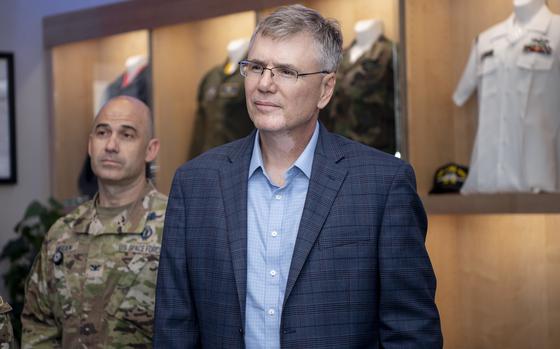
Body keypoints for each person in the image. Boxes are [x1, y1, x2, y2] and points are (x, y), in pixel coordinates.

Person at [154, 4, 442, 348]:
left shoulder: (382, 185)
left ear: (325, 89)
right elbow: (175, 328)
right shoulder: (195, 184)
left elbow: (411, 331)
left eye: (286, 72)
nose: (264, 84)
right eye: (256, 67)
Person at [22, 96, 167, 348]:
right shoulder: (62, 234)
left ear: (151, 149)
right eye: (102, 133)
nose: (111, 145)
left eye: (127, 135)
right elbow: (39, 325)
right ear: (90, 145)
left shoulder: (175, 227)